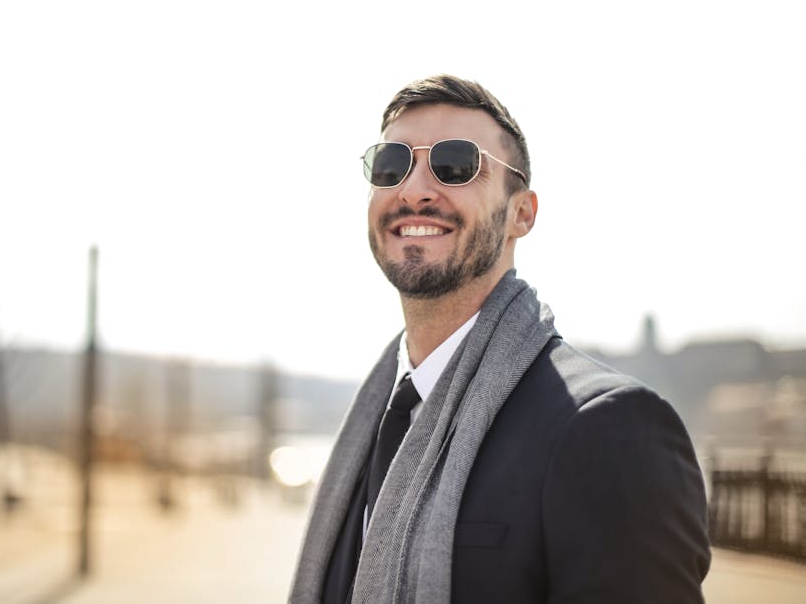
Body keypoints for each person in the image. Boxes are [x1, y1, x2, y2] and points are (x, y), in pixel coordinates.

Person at [290, 74, 711, 604]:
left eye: (456, 165)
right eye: (392, 165)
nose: (414, 189)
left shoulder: (609, 429)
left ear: (522, 214)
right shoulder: (369, 429)